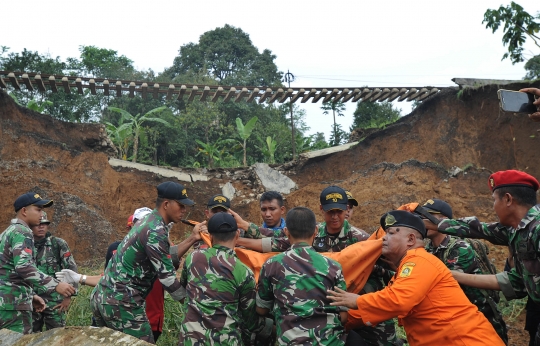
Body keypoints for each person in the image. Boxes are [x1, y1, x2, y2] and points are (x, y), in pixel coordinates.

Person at [233, 186, 396, 345]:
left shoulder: (360, 239)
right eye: (330, 212)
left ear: (346, 210)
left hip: (356, 297)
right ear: (321, 209)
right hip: (322, 301)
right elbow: (274, 239)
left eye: (338, 212)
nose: (334, 217)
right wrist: (238, 240)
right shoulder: (313, 231)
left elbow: (381, 269)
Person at [327, 210, 505, 346]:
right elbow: (385, 306)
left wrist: (357, 300)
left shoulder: (419, 261)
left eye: (391, 233)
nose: (384, 239)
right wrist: (342, 318)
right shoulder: (407, 267)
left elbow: (398, 301)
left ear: (411, 239)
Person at [427, 170, 540, 345]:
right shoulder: (516, 229)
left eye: (494, 200)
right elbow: (515, 281)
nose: (493, 207)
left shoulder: (537, 229)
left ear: (508, 199)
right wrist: (453, 276)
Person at [89, 181, 206, 343]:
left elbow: (164, 256)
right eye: (181, 206)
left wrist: (193, 238)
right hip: (122, 302)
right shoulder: (155, 230)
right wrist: (194, 307)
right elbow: (168, 279)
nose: (184, 210)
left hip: (104, 296)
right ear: (166, 204)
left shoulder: (150, 222)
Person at [256, 206, 349, 345]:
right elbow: (343, 316)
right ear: (316, 231)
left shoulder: (272, 264)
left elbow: (261, 309)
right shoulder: (333, 266)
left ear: (286, 232)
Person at [421, 199, 508, 344]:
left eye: (428, 217)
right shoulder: (429, 250)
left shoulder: (460, 247)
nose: (423, 222)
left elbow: (441, 284)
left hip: (481, 316)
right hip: (456, 321)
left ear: (445, 221)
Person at [179, 212, 272, 345]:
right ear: (237, 235)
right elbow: (250, 321)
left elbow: (184, 287)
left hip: (189, 340)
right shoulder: (244, 272)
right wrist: (269, 325)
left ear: (210, 236)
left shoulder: (193, 258)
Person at [0, 192, 75, 334]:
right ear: (24, 211)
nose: (42, 214)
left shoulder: (7, 233)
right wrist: (56, 285)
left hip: (7, 304)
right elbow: (24, 267)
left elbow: (5, 271)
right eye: (38, 209)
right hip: (14, 306)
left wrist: (31, 296)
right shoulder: (23, 232)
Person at [31, 211, 78, 333]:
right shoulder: (25, 245)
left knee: (58, 335)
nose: (41, 227)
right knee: (30, 337)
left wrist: (68, 297)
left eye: (44, 224)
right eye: (37, 224)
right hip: (32, 300)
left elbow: (71, 270)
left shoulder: (57, 244)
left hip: (56, 302)